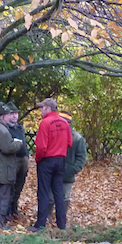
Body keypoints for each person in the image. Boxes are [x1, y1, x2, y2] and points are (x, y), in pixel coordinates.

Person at [29, 97, 72, 231]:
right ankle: (61, 224)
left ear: (48, 108)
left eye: (42, 108)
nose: (41, 110)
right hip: (60, 160)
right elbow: (69, 143)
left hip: (46, 161)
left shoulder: (45, 123)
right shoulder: (64, 123)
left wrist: (38, 159)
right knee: (58, 192)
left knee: (43, 192)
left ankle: (41, 224)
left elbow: (41, 146)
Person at [59, 111, 87, 220]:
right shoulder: (53, 134)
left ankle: (62, 218)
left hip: (68, 174)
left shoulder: (77, 138)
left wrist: (72, 170)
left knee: (65, 196)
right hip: (52, 171)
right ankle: (48, 217)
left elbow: (81, 158)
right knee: (50, 197)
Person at [6, 102, 29, 220]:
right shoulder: (5, 128)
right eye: (12, 114)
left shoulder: (20, 127)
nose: (15, 116)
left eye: (16, 113)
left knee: (19, 184)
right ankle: (7, 210)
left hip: (23, 159)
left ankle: (14, 206)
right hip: (13, 159)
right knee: (10, 185)